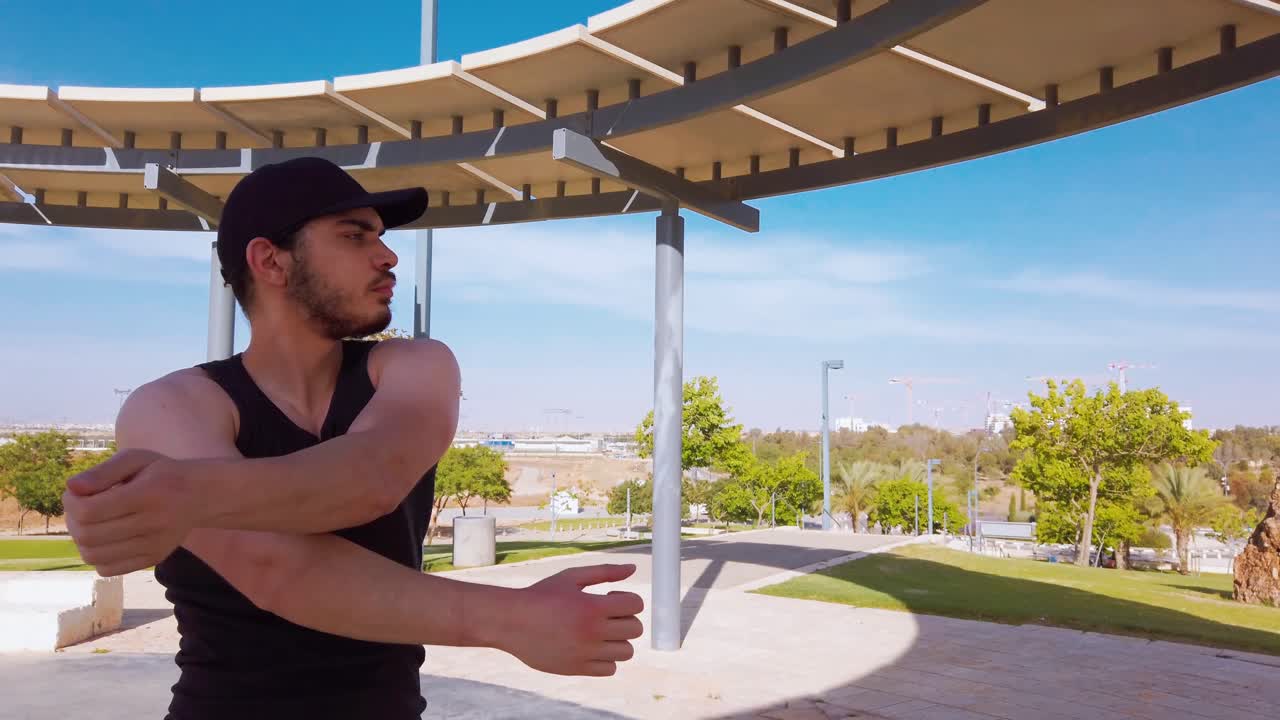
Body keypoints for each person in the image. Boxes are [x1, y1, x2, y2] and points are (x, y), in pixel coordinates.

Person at [61, 157, 644, 719]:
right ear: (270, 261)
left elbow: (371, 477)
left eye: (380, 237)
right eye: (354, 236)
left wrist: (184, 493)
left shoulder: (415, 365)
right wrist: (511, 618)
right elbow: (276, 568)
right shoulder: (170, 405)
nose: (387, 256)